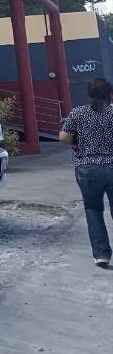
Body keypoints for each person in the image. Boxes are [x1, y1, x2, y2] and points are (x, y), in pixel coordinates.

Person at [59, 77, 113, 267]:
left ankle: (102, 255)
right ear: (110, 95)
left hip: (88, 167)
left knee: (93, 210)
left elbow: (64, 137)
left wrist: (77, 142)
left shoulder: (78, 113)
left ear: (89, 95)